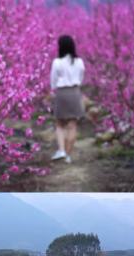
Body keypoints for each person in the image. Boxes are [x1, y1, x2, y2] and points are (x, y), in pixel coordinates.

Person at [50, 35, 85, 164]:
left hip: (62, 93)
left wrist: (54, 89)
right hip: (75, 92)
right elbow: (81, 77)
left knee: (59, 124)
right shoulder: (79, 61)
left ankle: (61, 150)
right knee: (72, 125)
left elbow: (53, 80)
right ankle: (68, 156)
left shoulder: (57, 62)